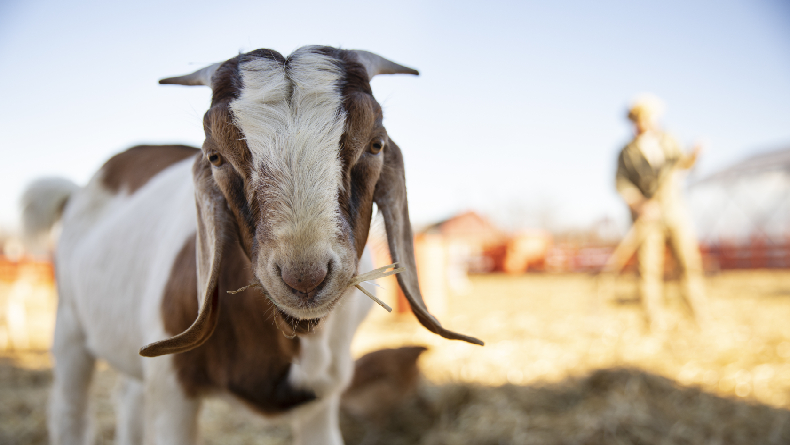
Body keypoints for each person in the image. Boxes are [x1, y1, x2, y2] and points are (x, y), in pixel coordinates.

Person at [615, 94, 707, 331]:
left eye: (646, 117)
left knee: (688, 264)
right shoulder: (627, 152)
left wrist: (695, 155)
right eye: (637, 118)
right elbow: (622, 185)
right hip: (646, 219)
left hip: (675, 213)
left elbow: (682, 166)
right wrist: (640, 205)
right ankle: (652, 323)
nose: (642, 122)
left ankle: (698, 317)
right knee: (648, 270)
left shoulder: (669, 141)